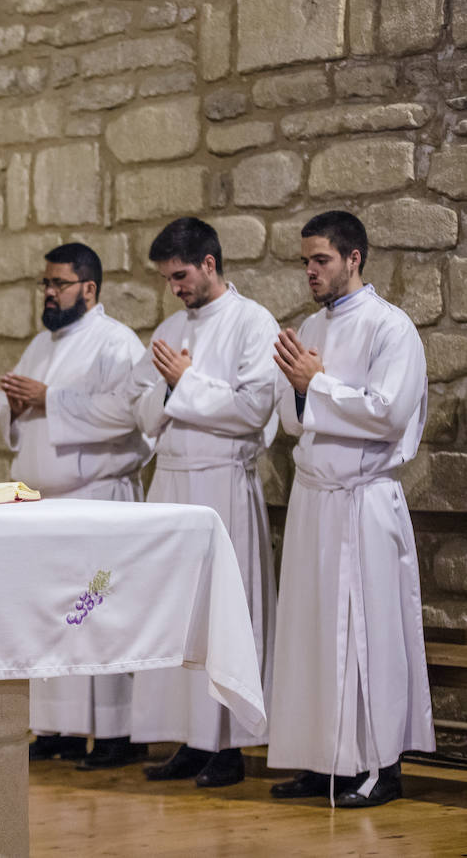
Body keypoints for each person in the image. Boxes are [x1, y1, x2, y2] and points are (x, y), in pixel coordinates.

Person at [267, 210, 434, 807]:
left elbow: (388, 413)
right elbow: (291, 421)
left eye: (321, 260)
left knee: (370, 635)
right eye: (306, 260)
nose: (310, 271)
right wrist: (299, 383)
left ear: (353, 257)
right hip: (315, 499)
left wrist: (319, 382)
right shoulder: (311, 325)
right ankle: (321, 761)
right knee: (311, 634)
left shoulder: (394, 330)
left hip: (364, 502)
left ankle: (379, 766)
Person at [121, 218, 280, 788]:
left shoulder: (252, 323)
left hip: (222, 486)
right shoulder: (169, 326)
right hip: (174, 481)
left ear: (210, 264)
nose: (176, 288)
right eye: (168, 279)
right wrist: (169, 388)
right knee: (178, 613)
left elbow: (254, 408)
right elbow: (137, 404)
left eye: (181, 275)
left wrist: (185, 382)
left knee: (223, 615)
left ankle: (229, 746)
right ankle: (188, 737)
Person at [0, 242, 153, 769]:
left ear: (89, 288)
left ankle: (114, 734)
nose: (49, 292)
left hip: (97, 500)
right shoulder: (41, 343)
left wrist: (51, 400)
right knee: (52, 619)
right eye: (45, 283)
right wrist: (15, 406)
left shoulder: (117, 344)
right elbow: (12, 409)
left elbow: (127, 415)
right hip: (46, 506)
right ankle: (59, 726)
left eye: (58, 284)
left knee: (99, 614)